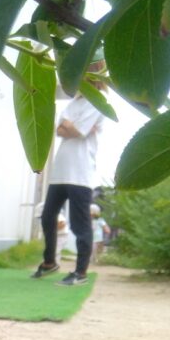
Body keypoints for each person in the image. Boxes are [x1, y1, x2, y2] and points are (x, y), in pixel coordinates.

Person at [32, 87, 103, 286]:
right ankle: (50, 262)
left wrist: (73, 127)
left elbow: (78, 131)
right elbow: (60, 129)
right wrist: (73, 128)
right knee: (47, 216)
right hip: (60, 171)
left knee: (79, 224)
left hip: (81, 173)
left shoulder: (99, 102)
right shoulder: (73, 103)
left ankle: (80, 272)